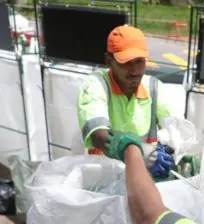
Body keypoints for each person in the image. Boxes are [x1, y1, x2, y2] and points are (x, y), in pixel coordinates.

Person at [77, 25, 195, 180]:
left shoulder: (154, 88)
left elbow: (177, 128)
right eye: (125, 62)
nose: (134, 71)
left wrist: (174, 151)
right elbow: (97, 135)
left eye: (139, 61)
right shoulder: (96, 85)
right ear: (108, 60)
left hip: (144, 177)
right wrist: (136, 152)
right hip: (103, 177)